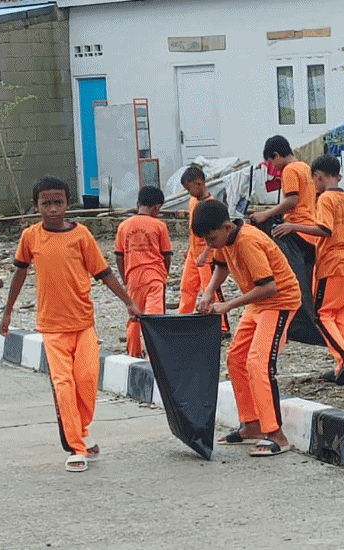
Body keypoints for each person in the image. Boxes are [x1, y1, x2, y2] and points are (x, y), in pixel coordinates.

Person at [0, 176, 142, 473]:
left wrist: (128, 301)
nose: (52, 209)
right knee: (63, 386)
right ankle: (76, 447)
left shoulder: (82, 235)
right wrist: (8, 311)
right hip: (51, 327)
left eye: (58, 202)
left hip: (83, 323)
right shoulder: (30, 237)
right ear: (36, 206)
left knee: (88, 380)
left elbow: (103, 273)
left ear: (68, 204)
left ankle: (82, 430)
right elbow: (19, 273)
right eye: (46, 203)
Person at [194, 200, 301, 457]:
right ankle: (251, 424)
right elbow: (221, 265)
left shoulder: (248, 241)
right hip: (259, 306)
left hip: (279, 302)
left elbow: (269, 287)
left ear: (227, 227)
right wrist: (209, 292)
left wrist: (228, 305)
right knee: (236, 359)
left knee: (258, 363)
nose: (210, 245)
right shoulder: (226, 241)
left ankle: (276, 434)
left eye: (211, 238)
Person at [273, 155, 344, 385]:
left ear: (318, 177)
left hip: (332, 265)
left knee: (322, 316)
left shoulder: (325, 200)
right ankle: (341, 366)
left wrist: (292, 226)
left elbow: (324, 230)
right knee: (343, 316)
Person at [115, 185, 172, 358]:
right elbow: (166, 254)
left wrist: (125, 277)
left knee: (134, 316)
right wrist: (164, 275)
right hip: (154, 277)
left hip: (132, 276)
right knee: (154, 318)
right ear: (157, 207)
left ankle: (133, 353)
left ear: (138, 203)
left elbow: (119, 255)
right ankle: (153, 357)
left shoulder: (124, 226)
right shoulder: (159, 226)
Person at [176, 166, 230, 335]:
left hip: (207, 255)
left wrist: (206, 253)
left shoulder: (211, 205)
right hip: (193, 254)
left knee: (211, 288)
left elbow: (214, 233)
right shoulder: (193, 202)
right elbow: (193, 229)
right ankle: (182, 320)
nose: (189, 192)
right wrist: (189, 249)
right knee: (187, 287)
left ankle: (222, 327)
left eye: (189, 188)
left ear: (199, 183)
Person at [250, 135, 318, 244]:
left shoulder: (289, 169)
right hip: (311, 229)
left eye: (271, 162)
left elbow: (292, 201)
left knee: (260, 224)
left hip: (296, 229)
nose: (272, 167)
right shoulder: (305, 167)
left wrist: (265, 214)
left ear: (276, 156)